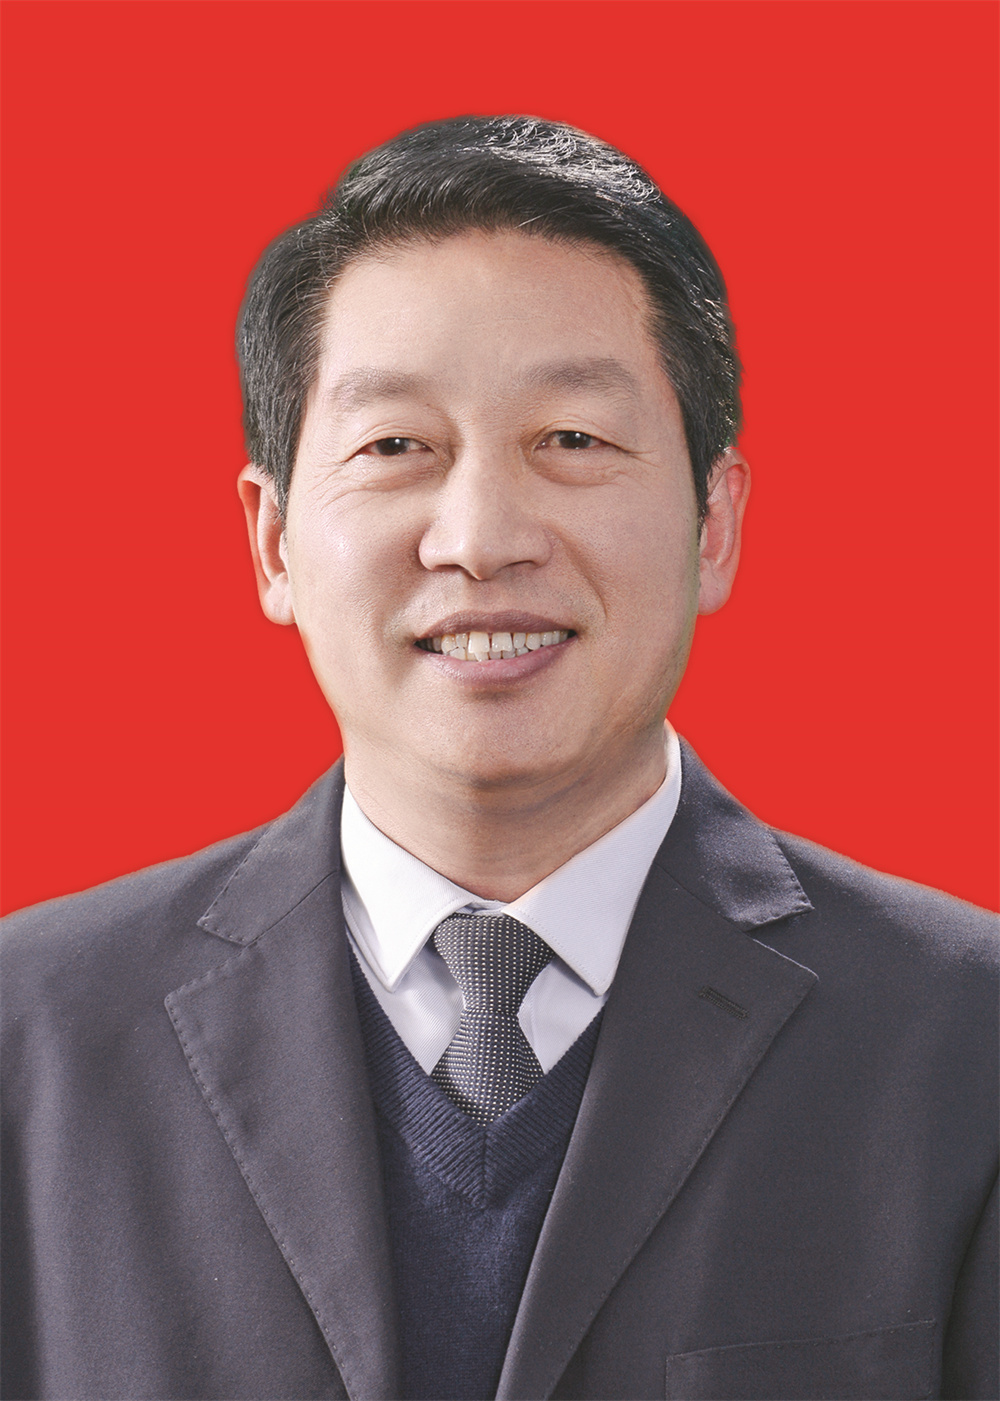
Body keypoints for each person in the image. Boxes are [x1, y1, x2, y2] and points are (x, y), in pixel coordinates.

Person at [1, 116, 996, 1401]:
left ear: (713, 521)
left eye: (571, 440)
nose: (480, 538)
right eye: (394, 447)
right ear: (273, 542)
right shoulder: (34, 1041)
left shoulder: (964, 1043)